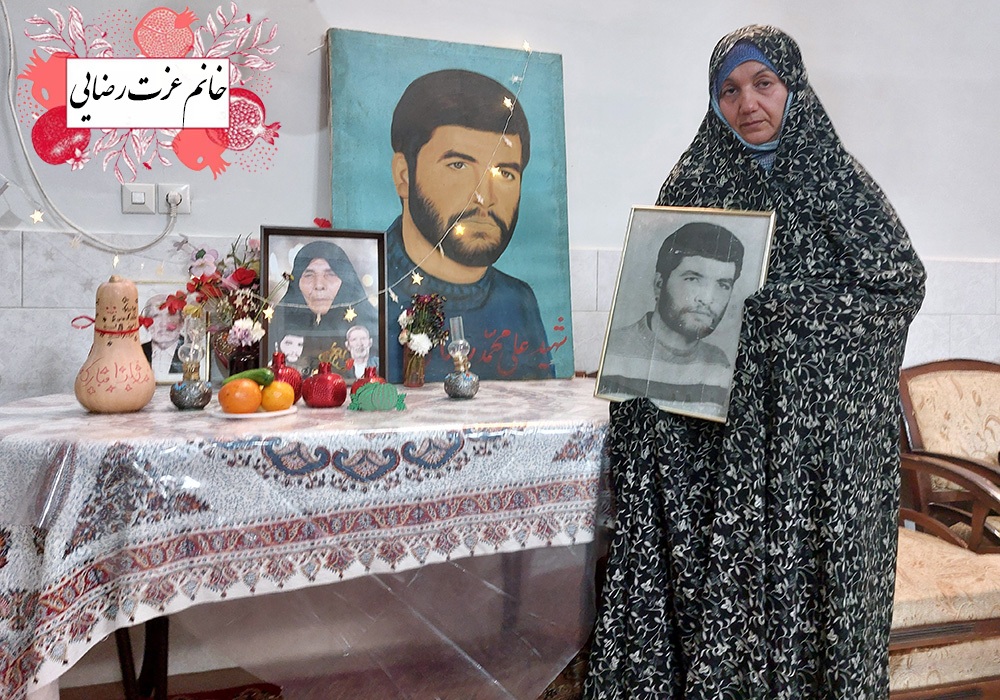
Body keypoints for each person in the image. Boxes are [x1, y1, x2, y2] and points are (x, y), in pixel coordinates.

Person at [585, 25, 925, 699]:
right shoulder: (694, 181)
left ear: (792, 88)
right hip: (715, 447)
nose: (748, 104)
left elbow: (898, 289)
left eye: (763, 84)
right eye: (730, 90)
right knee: (718, 594)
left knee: (809, 595)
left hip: (813, 450)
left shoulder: (838, 179)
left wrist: (791, 317)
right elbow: (653, 308)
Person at [385, 68, 552, 383]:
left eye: (505, 173)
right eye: (458, 165)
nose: (484, 198)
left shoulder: (518, 301)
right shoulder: (366, 287)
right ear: (404, 175)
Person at [598, 222, 745, 419]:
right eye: (693, 279)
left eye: (722, 285)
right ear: (659, 284)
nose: (707, 298)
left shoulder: (720, 365)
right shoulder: (614, 351)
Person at [269, 240, 378, 375]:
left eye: (330, 274)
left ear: (345, 280)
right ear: (297, 282)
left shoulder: (368, 327)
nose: (319, 285)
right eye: (309, 275)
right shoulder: (279, 326)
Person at [141, 293, 184, 379]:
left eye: (171, 315)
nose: (163, 323)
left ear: (182, 321)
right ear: (146, 324)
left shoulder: (191, 351)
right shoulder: (139, 352)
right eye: (155, 316)